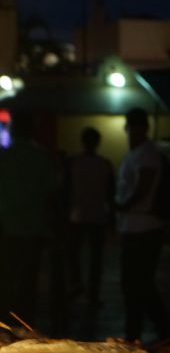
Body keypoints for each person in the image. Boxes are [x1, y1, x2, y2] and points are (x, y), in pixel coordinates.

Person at [115, 107, 170, 343]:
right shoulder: (140, 152)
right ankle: (144, 331)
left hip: (143, 229)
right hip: (136, 227)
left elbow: (144, 184)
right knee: (137, 284)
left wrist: (124, 205)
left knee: (138, 283)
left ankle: (147, 331)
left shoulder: (146, 153)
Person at [0, 110, 57, 326]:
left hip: (6, 227)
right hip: (33, 229)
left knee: (6, 279)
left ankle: (5, 323)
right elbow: (51, 193)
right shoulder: (41, 157)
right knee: (28, 280)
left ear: (14, 130)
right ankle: (25, 323)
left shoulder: (4, 157)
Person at [67, 126, 115, 307]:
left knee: (73, 254)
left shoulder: (73, 162)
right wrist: (111, 219)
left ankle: (76, 285)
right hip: (98, 215)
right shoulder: (105, 164)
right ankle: (92, 294)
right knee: (96, 258)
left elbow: (66, 190)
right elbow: (111, 193)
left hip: (77, 215)